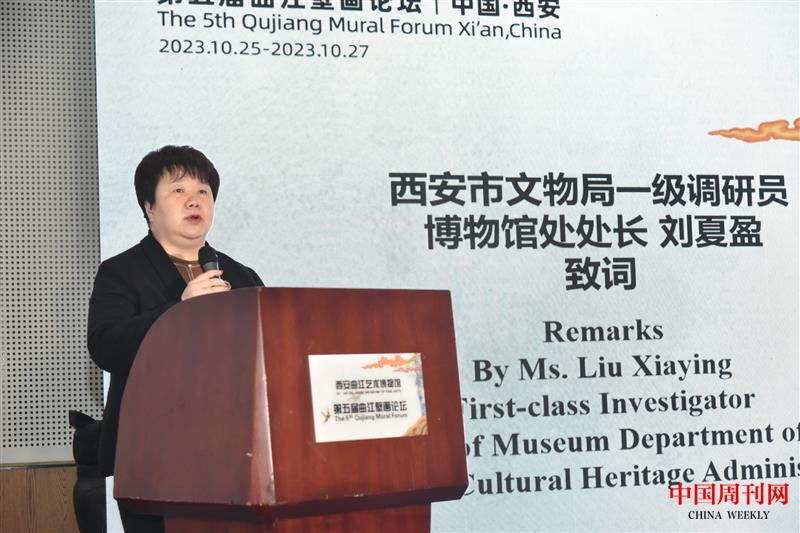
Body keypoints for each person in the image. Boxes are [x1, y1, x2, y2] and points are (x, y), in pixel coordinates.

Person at [87, 145, 263, 532]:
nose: (194, 200)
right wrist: (179, 310)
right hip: (153, 456)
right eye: (179, 190)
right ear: (149, 206)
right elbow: (105, 346)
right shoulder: (121, 271)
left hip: (235, 455)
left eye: (203, 191)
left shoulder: (241, 275)